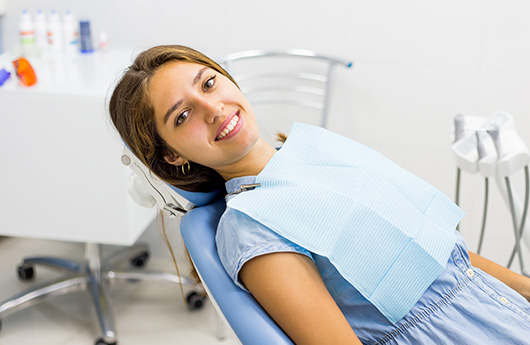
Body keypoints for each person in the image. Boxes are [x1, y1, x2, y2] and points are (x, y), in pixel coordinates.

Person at [109, 45, 530, 345]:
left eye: (209, 83)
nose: (213, 108)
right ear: (172, 155)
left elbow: (446, 256)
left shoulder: (314, 152)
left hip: (501, 306)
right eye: (182, 116)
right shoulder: (251, 228)